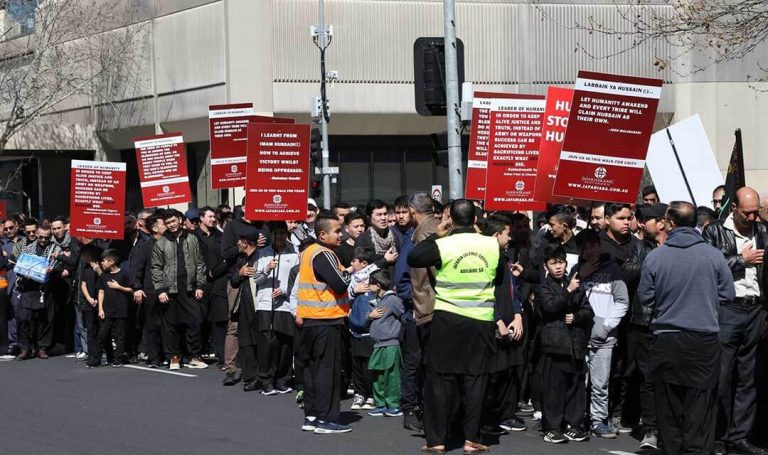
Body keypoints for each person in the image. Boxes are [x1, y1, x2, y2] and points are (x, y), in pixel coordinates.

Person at [408, 199, 507, 455]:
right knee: (476, 380)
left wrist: (437, 235)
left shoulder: (444, 244)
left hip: (448, 319)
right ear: (475, 219)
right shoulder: (491, 244)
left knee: (440, 379)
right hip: (481, 319)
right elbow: (498, 277)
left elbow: (414, 257)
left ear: (450, 218)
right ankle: (471, 439)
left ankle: (437, 441)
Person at [637, 201, 735, 455]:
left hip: (667, 339)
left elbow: (645, 297)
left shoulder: (656, 257)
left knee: (669, 406)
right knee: (701, 405)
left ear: (671, 223)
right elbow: (728, 294)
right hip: (703, 340)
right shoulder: (713, 256)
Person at [703, 187, 768, 455]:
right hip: (727, 309)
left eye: (755, 212)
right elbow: (709, 266)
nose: (752, 218)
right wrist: (741, 260)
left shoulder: (762, 231)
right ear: (733, 209)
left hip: (756, 310)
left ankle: (740, 436)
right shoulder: (715, 231)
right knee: (722, 375)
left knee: (748, 377)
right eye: (746, 213)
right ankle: (719, 435)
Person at [296, 213, 352, 434]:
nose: (341, 235)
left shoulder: (308, 252)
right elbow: (340, 283)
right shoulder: (323, 253)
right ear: (322, 234)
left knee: (313, 371)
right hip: (325, 321)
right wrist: (349, 271)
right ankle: (326, 419)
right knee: (327, 372)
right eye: (337, 231)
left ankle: (311, 416)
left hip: (311, 320)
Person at [620, 202, 668, 450]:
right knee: (647, 378)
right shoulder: (641, 247)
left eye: (646, 219)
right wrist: (654, 260)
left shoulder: (676, 247)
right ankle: (651, 429)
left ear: (661, 223)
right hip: (644, 321)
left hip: (671, 322)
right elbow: (627, 271)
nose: (640, 223)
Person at [574, 230, 629, 439]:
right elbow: (569, 296)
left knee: (600, 383)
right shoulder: (576, 269)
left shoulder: (614, 270)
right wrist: (581, 274)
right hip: (579, 335)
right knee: (580, 381)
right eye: (585, 248)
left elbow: (622, 302)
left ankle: (598, 420)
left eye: (593, 246)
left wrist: (605, 327)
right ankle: (578, 418)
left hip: (603, 338)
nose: (590, 251)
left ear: (599, 245)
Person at [535, 245, 593, 444]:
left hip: (575, 343)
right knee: (553, 388)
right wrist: (568, 291)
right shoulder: (544, 287)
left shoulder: (574, 283)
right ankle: (552, 427)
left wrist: (576, 317)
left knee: (576, 386)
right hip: (554, 343)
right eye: (553, 263)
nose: (558, 267)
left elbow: (588, 310)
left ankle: (573, 424)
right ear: (546, 266)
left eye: (561, 262)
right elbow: (550, 307)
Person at [480, 214, 527, 436]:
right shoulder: (484, 260)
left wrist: (517, 315)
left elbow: (513, 290)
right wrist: (497, 319)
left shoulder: (506, 259)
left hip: (511, 324)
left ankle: (506, 414)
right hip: (493, 326)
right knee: (492, 376)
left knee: (509, 372)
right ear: (496, 234)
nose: (510, 238)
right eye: (507, 233)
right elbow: (483, 293)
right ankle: (487, 419)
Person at [398, 191, 440, 433]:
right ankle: (412, 408)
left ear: (413, 211)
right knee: (417, 361)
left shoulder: (426, 232)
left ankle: (419, 408)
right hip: (420, 308)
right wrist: (413, 302)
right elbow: (404, 278)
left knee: (422, 362)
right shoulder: (420, 235)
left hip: (428, 309)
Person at [151, 210, 208, 370]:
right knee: (171, 325)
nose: (171, 225)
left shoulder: (192, 238)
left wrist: (200, 285)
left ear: (180, 220)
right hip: (169, 289)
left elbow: (200, 262)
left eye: (173, 221)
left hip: (189, 288)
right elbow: (156, 268)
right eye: (168, 223)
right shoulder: (161, 243)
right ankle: (174, 357)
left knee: (195, 322)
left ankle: (194, 356)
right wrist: (160, 290)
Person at [252, 223, 299, 395]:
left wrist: (284, 290)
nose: (280, 236)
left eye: (282, 233)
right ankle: (266, 380)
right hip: (266, 304)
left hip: (285, 306)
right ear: (272, 234)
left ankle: (282, 380)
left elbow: (297, 280)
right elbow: (256, 279)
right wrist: (267, 268)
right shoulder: (263, 253)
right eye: (277, 233)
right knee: (267, 344)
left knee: (285, 344)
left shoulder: (294, 254)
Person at [14, 221, 58, 360]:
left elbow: (62, 267)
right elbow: (18, 267)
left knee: (45, 320)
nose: (43, 240)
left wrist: (53, 270)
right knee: (24, 318)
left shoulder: (55, 249)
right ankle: (25, 348)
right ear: (37, 235)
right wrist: (24, 272)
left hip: (45, 289)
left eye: (46, 237)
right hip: (28, 288)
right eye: (41, 237)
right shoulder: (27, 249)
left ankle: (42, 348)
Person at [193, 206, 229, 368]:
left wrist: (216, 271)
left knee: (219, 319)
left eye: (214, 217)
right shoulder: (193, 236)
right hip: (200, 283)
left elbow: (226, 257)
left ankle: (221, 356)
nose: (213, 219)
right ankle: (197, 353)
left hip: (218, 281)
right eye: (210, 216)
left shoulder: (220, 236)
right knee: (199, 319)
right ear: (201, 218)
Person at [365, 269, 405, 417]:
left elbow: (403, 316)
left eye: (370, 283)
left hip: (390, 344)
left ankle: (394, 404)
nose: (368, 286)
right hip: (378, 344)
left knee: (391, 376)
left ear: (378, 285)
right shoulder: (377, 300)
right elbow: (367, 318)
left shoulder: (393, 300)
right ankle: (380, 403)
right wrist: (370, 316)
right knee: (378, 375)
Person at [129, 212, 166, 367]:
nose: (167, 226)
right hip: (151, 291)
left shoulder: (170, 244)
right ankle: (154, 357)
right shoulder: (145, 247)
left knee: (168, 324)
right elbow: (136, 269)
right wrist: (137, 288)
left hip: (169, 290)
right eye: (163, 223)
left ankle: (170, 355)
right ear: (155, 228)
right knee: (152, 325)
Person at [86, 249, 132, 368]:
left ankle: (118, 358)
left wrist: (119, 287)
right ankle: (96, 359)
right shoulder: (104, 276)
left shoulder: (124, 274)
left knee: (119, 336)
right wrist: (101, 309)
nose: (102, 263)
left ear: (112, 261)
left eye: (104, 261)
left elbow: (131, 289)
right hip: (107, 310)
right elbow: (101, 291)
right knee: (102, 335)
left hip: (121, 310)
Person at [347, 247, 377, 411]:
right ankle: (359, 393)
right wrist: (354, 290)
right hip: (354, 326)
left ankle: (371, 394)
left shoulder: (375, 275)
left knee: (368, 364)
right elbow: (344, 295)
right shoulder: (353, 278)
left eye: (354, 261)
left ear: (364, 263)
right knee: (356, 363)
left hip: (369, 329)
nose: (352, 264)